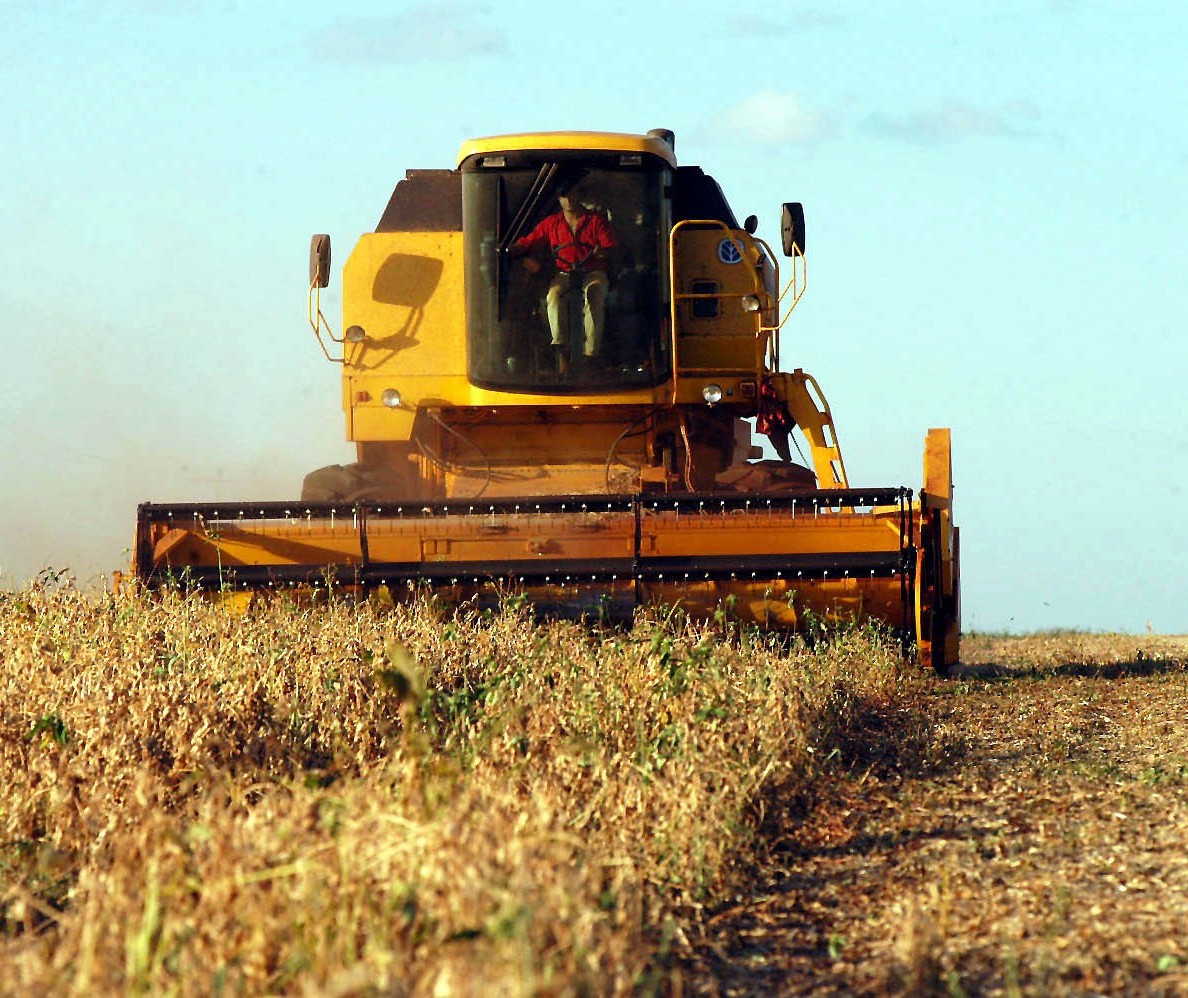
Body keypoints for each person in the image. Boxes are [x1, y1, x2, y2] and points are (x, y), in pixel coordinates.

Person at [508, 189, 617, 370]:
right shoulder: (552, 223)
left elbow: (611, 248)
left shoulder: (596, 221)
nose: (569, 200)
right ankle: (561, 350)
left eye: (573, 195)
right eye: (564, 196)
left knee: (594, 294)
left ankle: (591, 355)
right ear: (559, 199)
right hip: (565, 273)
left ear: (579, 196)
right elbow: (531, 239)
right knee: (553, 296)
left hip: (592, 272)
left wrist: (602, 253)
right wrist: (516, 248)